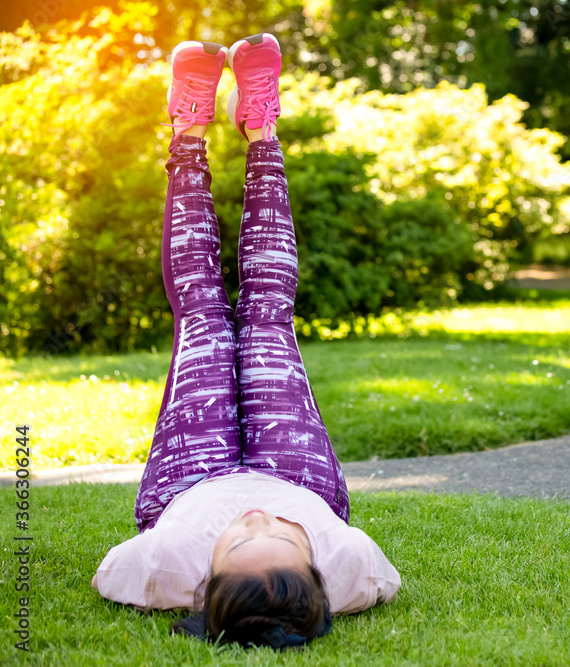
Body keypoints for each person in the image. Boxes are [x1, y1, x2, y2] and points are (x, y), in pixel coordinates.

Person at [91, 34, 400, 650]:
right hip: (300, 476)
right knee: (266, 317)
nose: (257, 519)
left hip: (189, 481)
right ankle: (261, 131)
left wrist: (199, 597)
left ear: (203, 582)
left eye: (237, 541)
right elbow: (379, 577)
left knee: (202, 315)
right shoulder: (348, 569)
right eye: (284, 538)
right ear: (320, 572)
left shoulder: (172, 561)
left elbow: (109, 574)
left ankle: (187, 131)